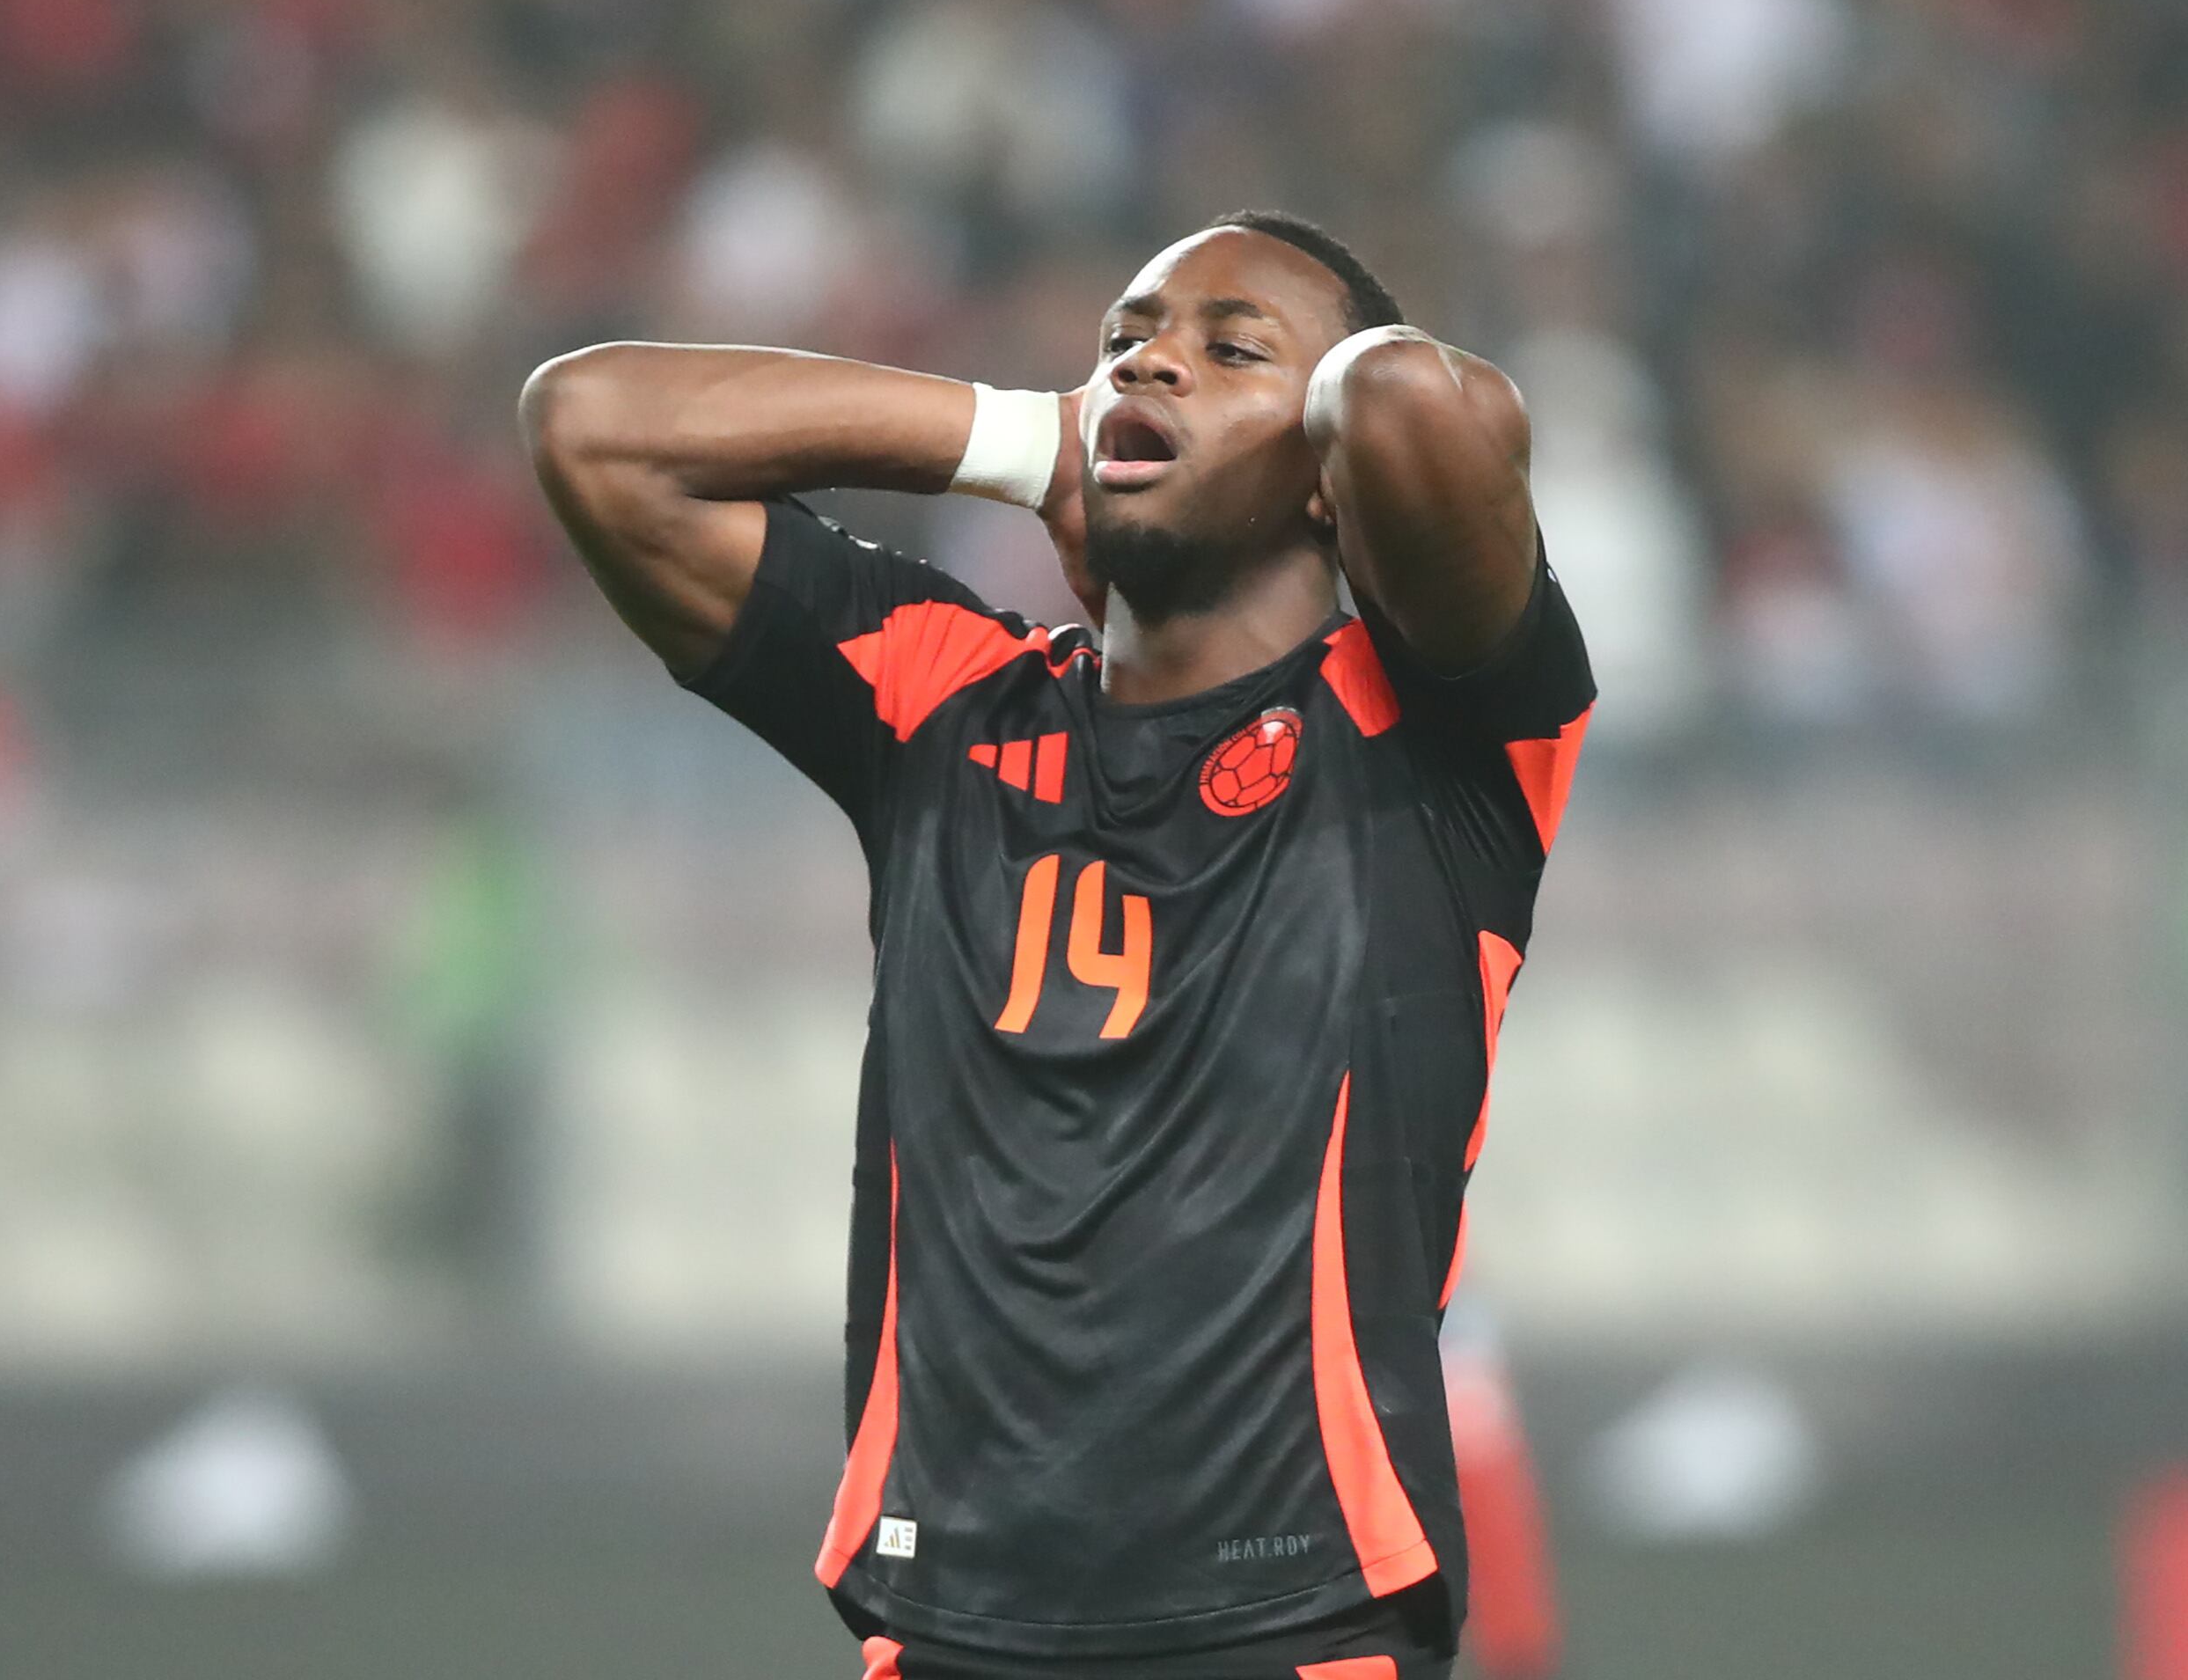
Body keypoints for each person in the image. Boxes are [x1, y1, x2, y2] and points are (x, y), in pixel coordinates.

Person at [520, 212, 1594, 1680]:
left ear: (1331, 480)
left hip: (1293, 1620)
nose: (1150, 361)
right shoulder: (947, 700)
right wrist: (1028, 438)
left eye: (1231, 349)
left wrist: (1301, 413)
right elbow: (592, 427)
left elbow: (1415, 401)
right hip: (951, 1619)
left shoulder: (1440, 738)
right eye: (1124, 341)